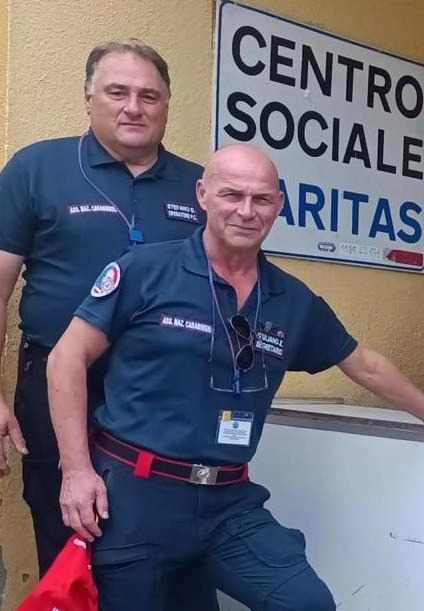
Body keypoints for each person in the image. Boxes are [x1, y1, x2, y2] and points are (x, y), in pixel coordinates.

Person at [46, 144, 424, 611]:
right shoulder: (145, 271)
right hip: (138, 497)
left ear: (279, 205)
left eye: (261, 199)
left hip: (227, 502)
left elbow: (365, 365)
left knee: (305, 602)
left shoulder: (290, 299)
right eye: (231, 194)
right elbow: (66, 360)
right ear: (202, 194)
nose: (245, 210)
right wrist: (76, 471)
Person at [0, 39, 206, 579]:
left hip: (164, 394)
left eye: (149, 95)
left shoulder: (201, 187)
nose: (133, 107)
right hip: (57, 381)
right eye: (117, 92)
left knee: (160, 535)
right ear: (88, 97)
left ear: (167, 105)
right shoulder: (35, 168)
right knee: (65, 526)